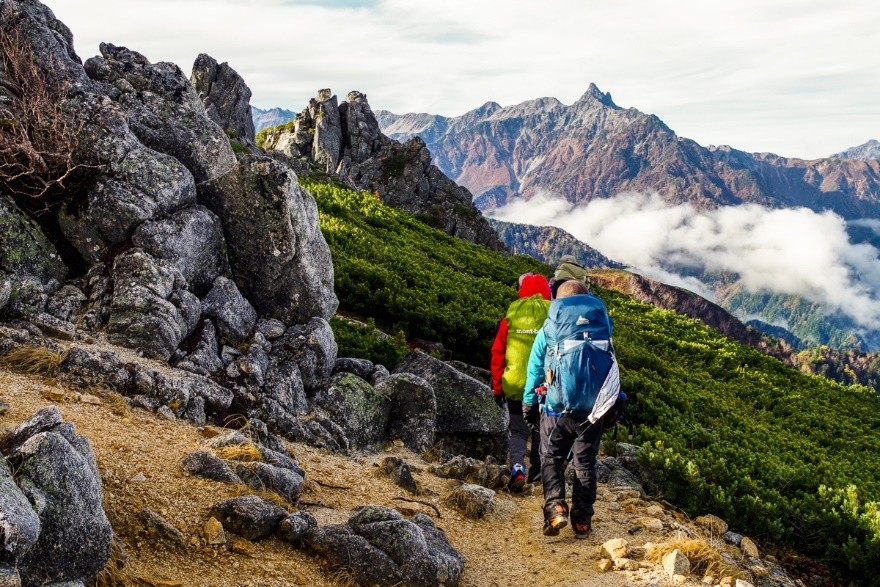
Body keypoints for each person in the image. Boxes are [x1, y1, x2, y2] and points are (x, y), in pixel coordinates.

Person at [522, 279, 620, 538]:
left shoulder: (552, 327)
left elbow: (534, 368)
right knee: (585, 463)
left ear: (559, 301)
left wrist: (529, 401)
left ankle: (555, 508)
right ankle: (582, 521)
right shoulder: (601, 326)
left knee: (551, 457)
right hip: (593, 411)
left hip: (557, 410)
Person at [490, 272, 551, 492]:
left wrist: (498, 388)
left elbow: (498, 352)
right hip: (543, 387)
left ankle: (517, 468)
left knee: (517, 431)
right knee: (538, 431)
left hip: (514, 384)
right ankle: (537, 473)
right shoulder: (553, 316)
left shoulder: (512, 315)